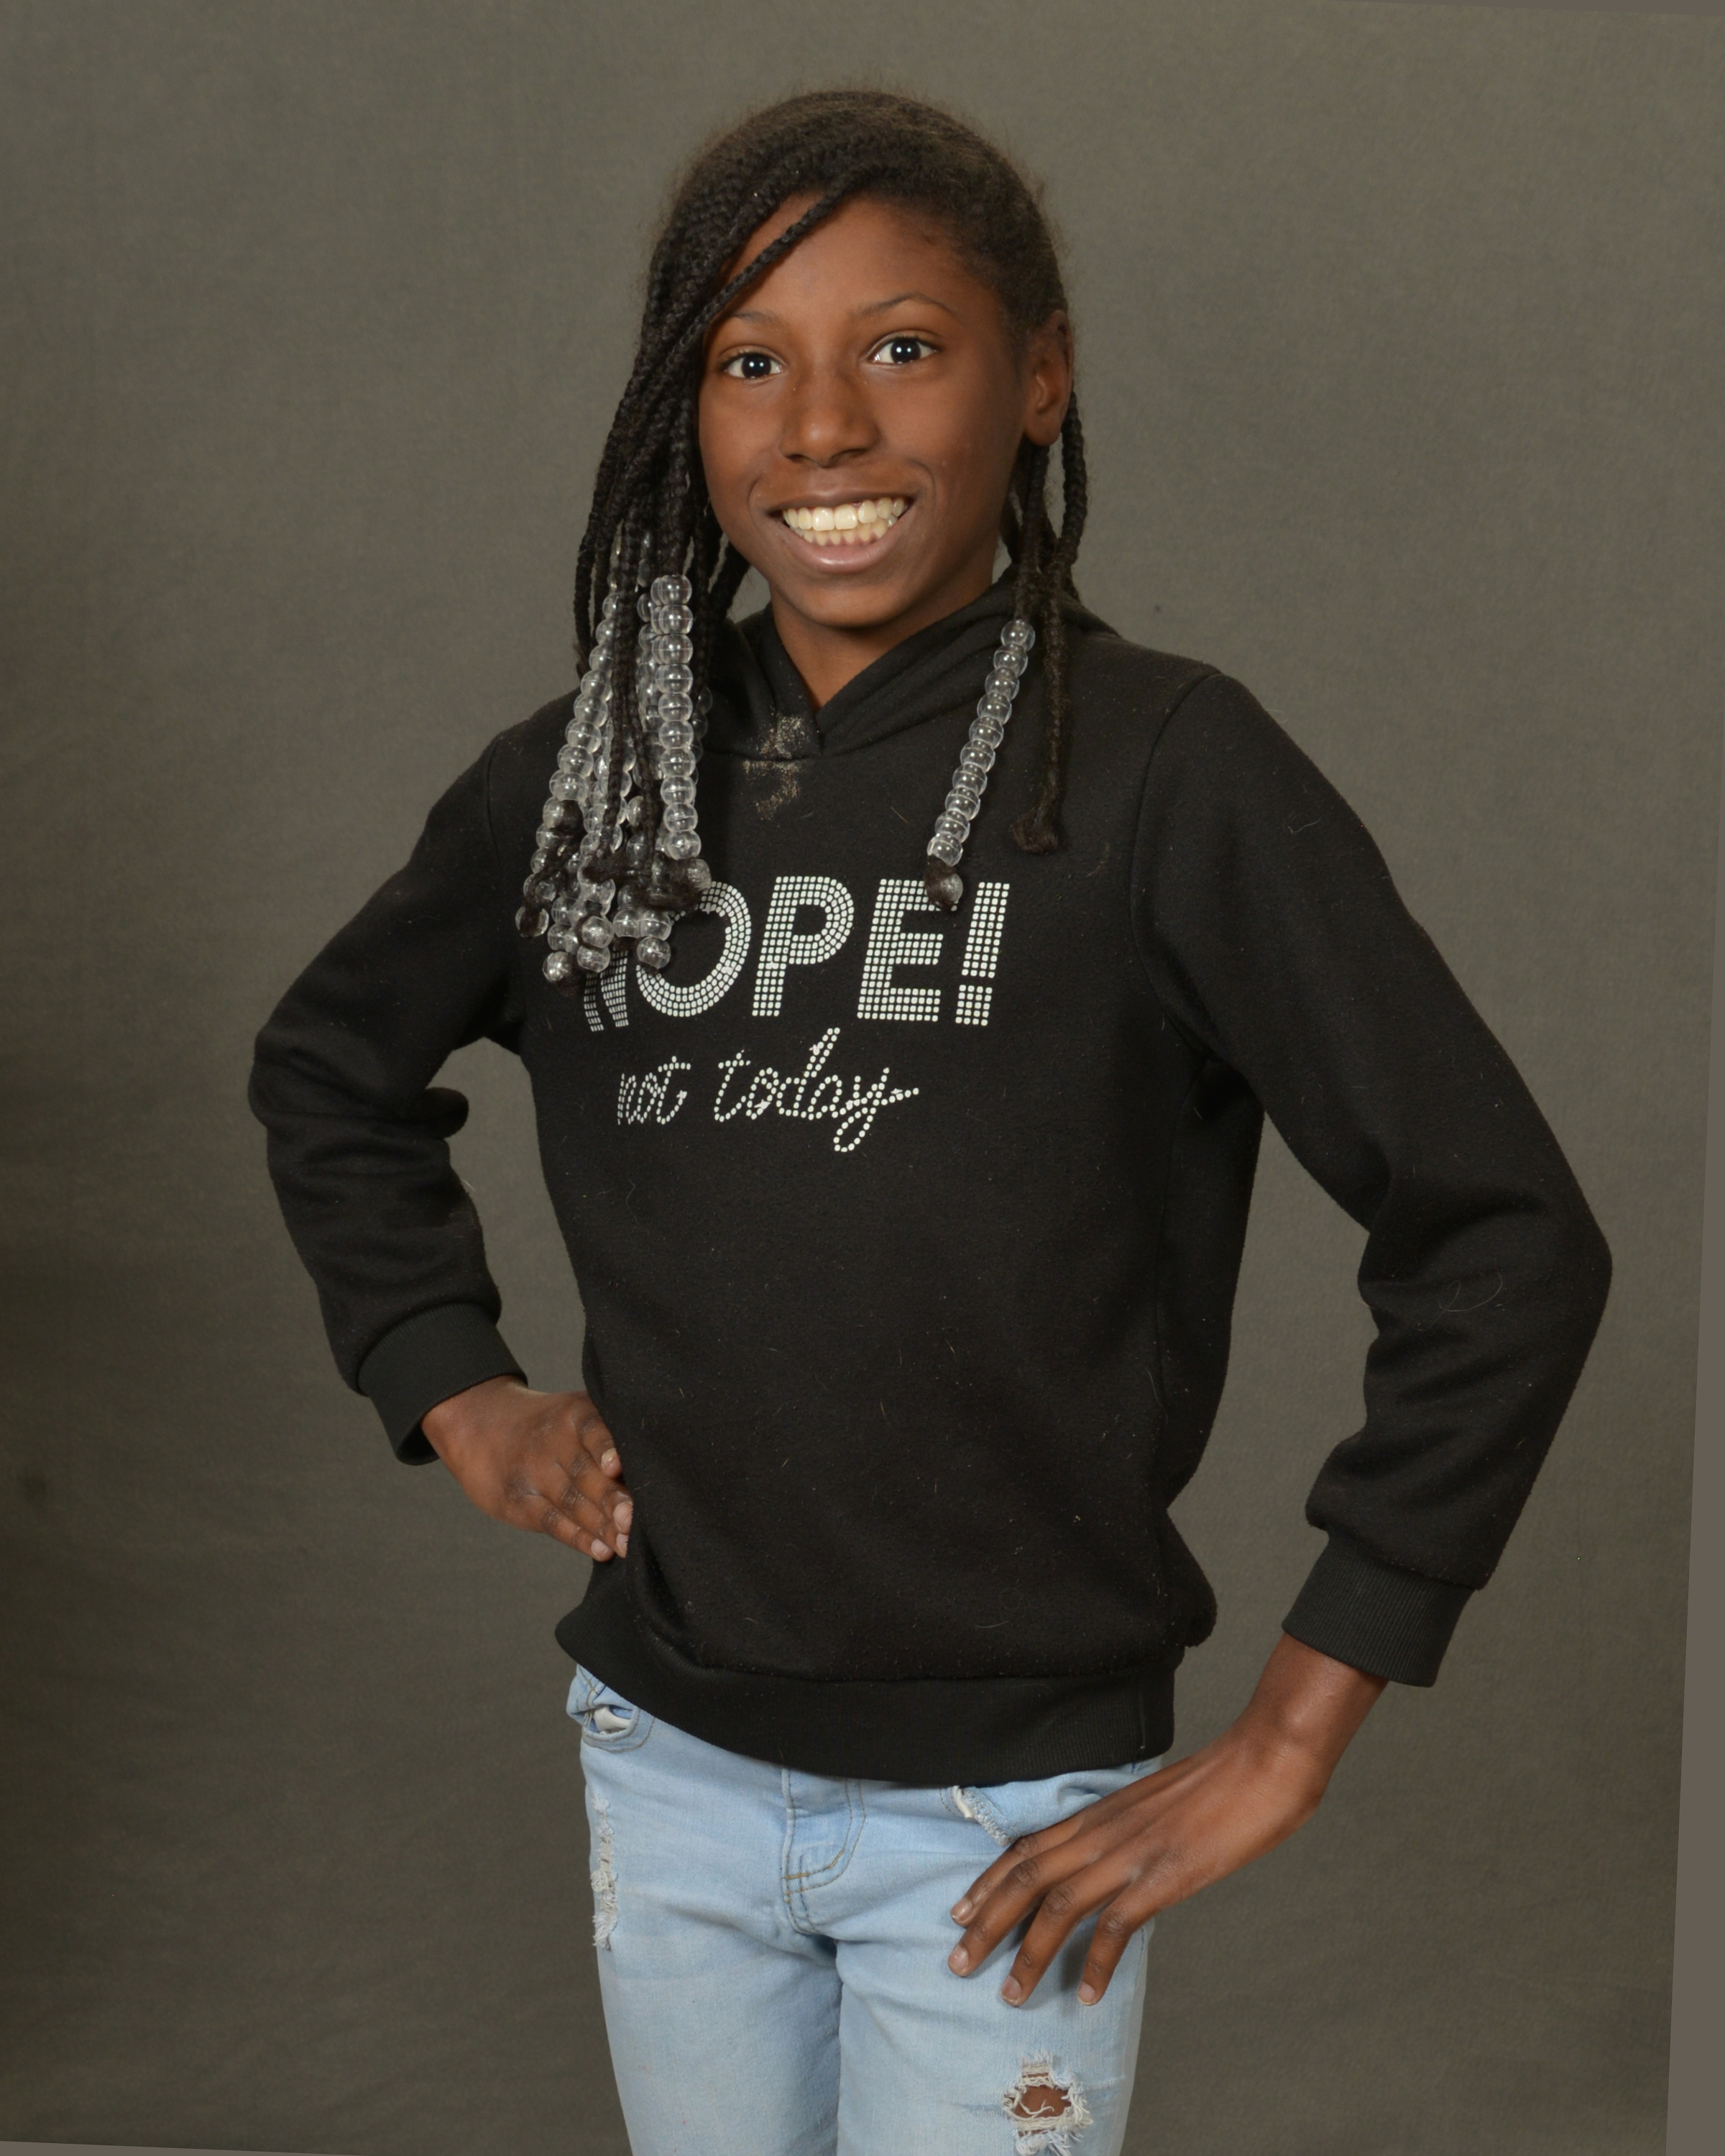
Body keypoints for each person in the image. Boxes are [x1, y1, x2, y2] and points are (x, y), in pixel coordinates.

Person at [249, 88, 1611, 2156]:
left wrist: (1297, 1725)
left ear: (1040, 376)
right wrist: (455, 1387)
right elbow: (331, 1066)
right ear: (683, 412)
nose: (822, 427)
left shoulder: (1162, 772)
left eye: (902, 347)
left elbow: (1504, 1234)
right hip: (669, 1760)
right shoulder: (596, 777)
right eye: (748, 361)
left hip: (1009, 1814)